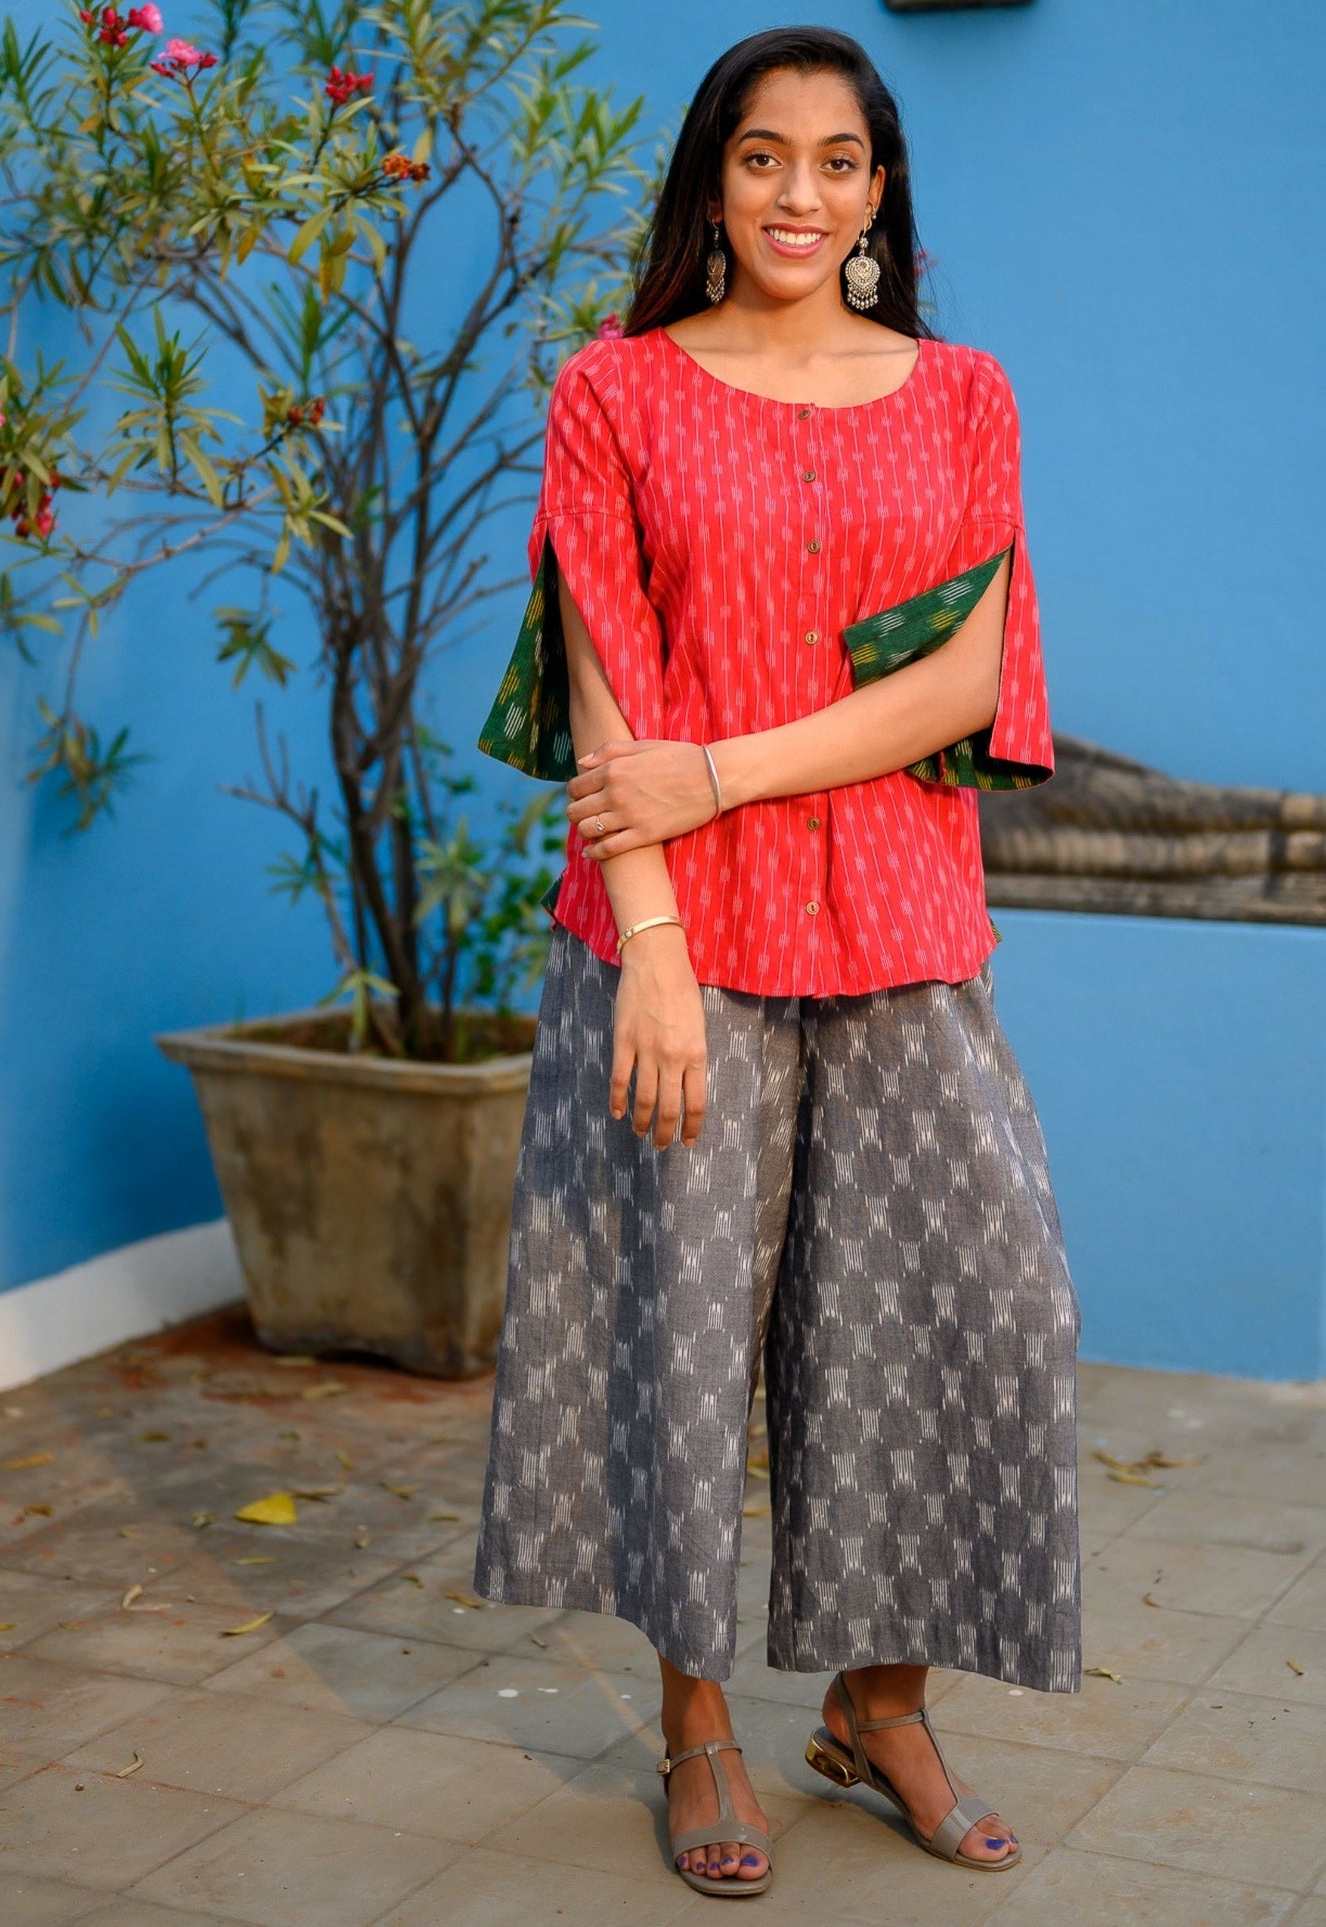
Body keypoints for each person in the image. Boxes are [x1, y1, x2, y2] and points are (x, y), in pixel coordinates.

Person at [474, 24, 1081, 1900]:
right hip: (681, 939)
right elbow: (607, 686)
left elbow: (963, 680)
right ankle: (695, 1727)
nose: (796, 193)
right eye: (759, 156)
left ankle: (877, 1707)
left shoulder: (960, 394)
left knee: (971, 1311)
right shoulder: (617, 389)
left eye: (833, 159)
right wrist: (653, 946)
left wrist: (720, 770)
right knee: (677, 1333)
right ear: (711, 182)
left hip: (901, 925)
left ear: (878, 191)